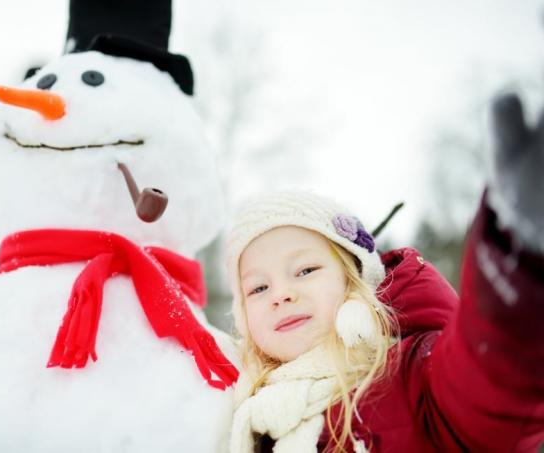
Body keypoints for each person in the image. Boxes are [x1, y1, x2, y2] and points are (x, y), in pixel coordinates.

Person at [225, 93, 544, 453]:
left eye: (305, 270)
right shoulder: (242, 411)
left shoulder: (410, 376)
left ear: (354, 281)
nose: (281, 294)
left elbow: (490, 386)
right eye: (258, 288)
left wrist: (518, 273)